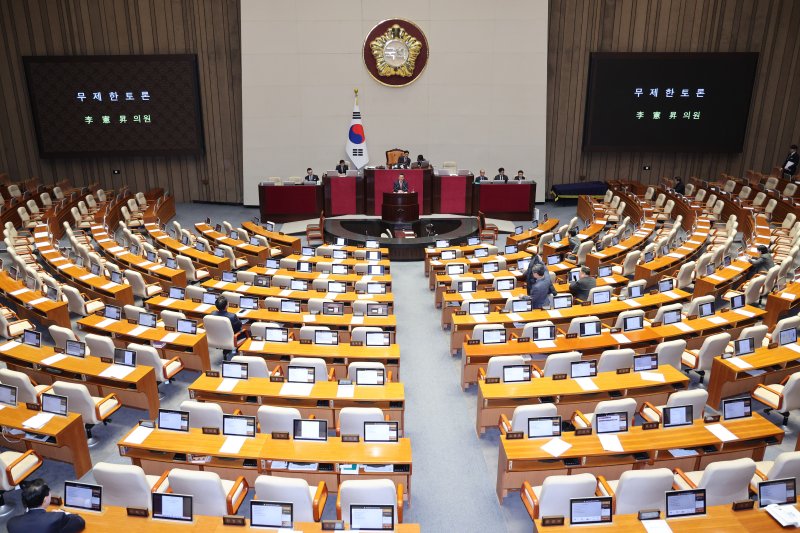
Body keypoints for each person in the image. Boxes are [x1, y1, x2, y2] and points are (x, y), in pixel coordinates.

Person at [7, 478, 85, 533]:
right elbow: (80, 522)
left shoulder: (11, 523)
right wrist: (64, 513)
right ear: (45, 499)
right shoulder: (57, 517)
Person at [211, 295, 243, 360]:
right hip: (232, 338)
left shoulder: (212, 314)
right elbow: (239, 325)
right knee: (247, 332)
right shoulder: (232, 316)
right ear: (226, 306)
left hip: (218, 337)